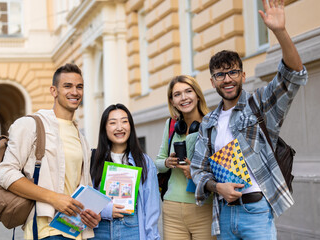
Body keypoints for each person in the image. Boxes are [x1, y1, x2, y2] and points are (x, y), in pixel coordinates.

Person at [190, 0, 308, 239]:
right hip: (224, 214)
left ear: (242, 75)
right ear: (212, 82)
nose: (227, 79)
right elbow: (198, 169)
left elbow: (292, 76)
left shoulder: (259, 105)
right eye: (220, 75)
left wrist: (279, 31)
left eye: (232, 71)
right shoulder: (208, 123)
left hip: (256, 211)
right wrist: (216, 187)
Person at [0, 63, 101, 240]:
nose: (75, 92)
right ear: (54, 91)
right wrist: (54, 198)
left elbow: (83, 187)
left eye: (79, 87)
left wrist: (92, 215)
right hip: (46, 230)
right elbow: (5, 172)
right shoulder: (32, 125)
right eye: (67, 86)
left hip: (76, 230)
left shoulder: (81, 137)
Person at [155, 75, 215, 239]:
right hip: (172, 209)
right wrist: (167, 162)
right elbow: (157, 163)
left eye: (188, 91)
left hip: (204, 207)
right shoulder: (171, 125)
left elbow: (221, 169)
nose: (184, 98)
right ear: (172, 101)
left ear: (197, 94)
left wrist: (195, 173)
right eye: (177, 94)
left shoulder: (212, 124)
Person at [89, 103, 160, 240]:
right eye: (113, 123)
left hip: (132, 230)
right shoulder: (93, 160)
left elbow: (151, 209)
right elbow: (86, 201)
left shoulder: (144, 162)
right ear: (104, 128)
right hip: (99, 231)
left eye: (124, 121)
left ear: (131, 126)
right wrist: (106, 210)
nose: (119, 127)